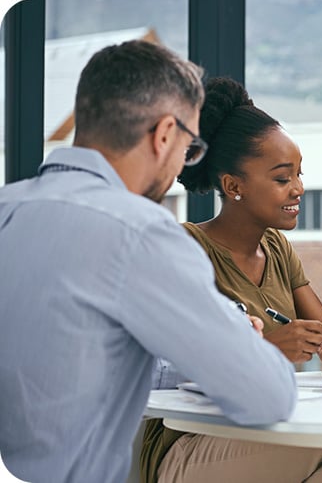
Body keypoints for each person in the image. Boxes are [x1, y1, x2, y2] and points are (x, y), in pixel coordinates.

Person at [0, 41, 297, 483]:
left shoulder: (8, 208)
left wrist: (201, 347)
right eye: (189, 148)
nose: (184, 162)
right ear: (163, 135)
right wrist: (236, 335)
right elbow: (269, 396)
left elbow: (79, 362)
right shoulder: (140, 230)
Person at [140, 77, 322, 483]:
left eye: (299, 174)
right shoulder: (184, 249)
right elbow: (166, 367)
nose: (299, 188)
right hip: (188, 445)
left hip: (267, 430)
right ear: (233, 186)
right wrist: (267, 348)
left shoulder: (278, 249)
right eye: (282, 178)